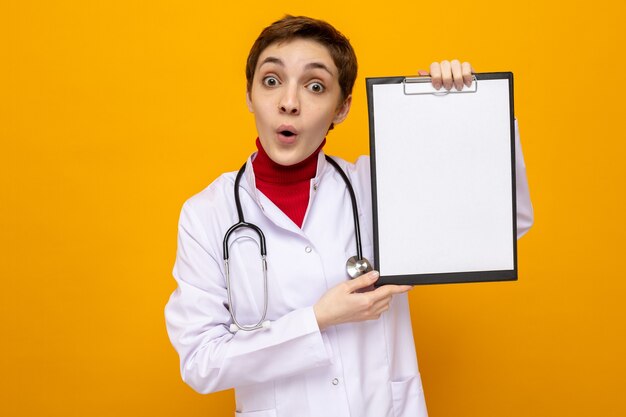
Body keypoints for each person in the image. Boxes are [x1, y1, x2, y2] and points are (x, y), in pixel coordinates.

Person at [165, 15, 533, 417]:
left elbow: (504, 225)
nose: (289, 102)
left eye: (315, 85)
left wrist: (472, 111)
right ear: (249, 95)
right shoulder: (207, 215)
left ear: (342, 108)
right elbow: (201, 362)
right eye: (271, 80)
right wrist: (318, 320)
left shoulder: (377, 185)